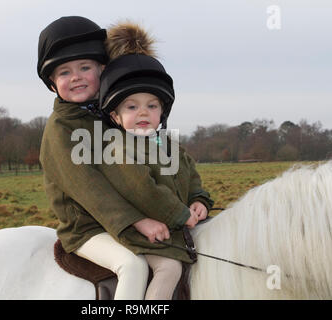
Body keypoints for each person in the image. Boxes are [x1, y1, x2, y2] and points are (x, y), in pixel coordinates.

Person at [38, 16, 212, 300]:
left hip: (130, 219)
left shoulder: (114, 117)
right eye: (64, 72)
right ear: (52, 84)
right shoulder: (61, 130)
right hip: (89, 227)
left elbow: (168, 165)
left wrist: (197, 199)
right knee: (132, 265)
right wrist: (137, 221)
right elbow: (91, 191)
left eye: (85, 67)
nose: (77, 77)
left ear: (103, 69)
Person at [93, 22, 214, 299]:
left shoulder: (169, 144)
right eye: (132, 107)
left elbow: (191, 177)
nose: (143, 113)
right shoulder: (117, 148)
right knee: (169, 269)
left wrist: (199, 202)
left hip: (174, 228)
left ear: (162, 111)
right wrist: (180, 215)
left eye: (152, 105)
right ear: (115, 116)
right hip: (139, 233)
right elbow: (142, 190)